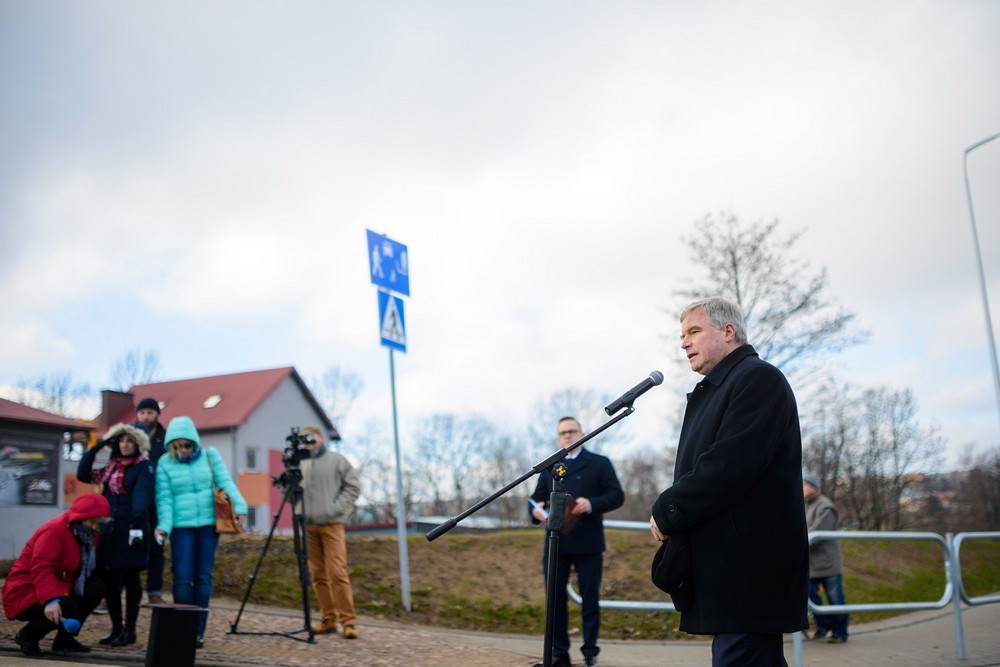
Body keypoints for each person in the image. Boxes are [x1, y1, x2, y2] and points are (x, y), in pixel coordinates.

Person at [649, 296, 809, 666]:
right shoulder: (718, 390)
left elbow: (728, 465)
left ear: (728, 332)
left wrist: (668, 510)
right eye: (682, 335)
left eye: (694, 331)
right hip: (732, 567)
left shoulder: (758, 379)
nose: (684, 342)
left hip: (750, 567)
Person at [529, 416, 624, 667]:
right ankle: (559, 653)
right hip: (556, 542)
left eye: (572, 431)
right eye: (562, 433)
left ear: (582, 433)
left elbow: (616, 496)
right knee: (555, 600)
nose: (567, 436)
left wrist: (592, 504)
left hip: (588, 541)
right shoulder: (550, 465)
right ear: (558, 437)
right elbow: (536, 499)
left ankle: (590, 652)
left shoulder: (599, 463)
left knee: (590, 599)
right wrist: (536, 511)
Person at [154, 416, 247, 648]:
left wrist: (241, 507)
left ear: (194, 442)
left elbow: (226, 482)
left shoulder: (210, 455)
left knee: (203, 577)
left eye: (188, 445)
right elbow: (164, 499)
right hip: (182, 528)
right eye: (179, 446)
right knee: (183, 578)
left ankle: (197, 632)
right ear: (171, 445)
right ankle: (181, 628)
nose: (184, 450)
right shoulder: (165, 463)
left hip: (208, 525)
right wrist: (164, 526)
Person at [3, 493, 111, 657]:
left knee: (94, 587)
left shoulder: (87, 534)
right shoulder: (54, 530)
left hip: (61, 584)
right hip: (25, 589)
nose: (95, 527)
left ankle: (64, 640)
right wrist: (51, 600)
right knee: (66, 607)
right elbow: (42, 567)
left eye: (99, 524)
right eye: (92, 522)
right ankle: (28, 636)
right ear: (81, 517)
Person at [77, 423, 154, 646]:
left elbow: (141, 494)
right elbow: (83, 474)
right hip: (109, 531)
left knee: (131, 580)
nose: (125, 445)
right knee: (110, 582)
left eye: (130, 441)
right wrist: (97, 447)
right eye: (121, 440)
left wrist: (137, 524)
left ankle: (130, 630)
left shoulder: (143, 466)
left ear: (137, 443)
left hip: (132, 529)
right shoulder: (111, 467)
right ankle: (117, 628)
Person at [298, 425, 362, 639]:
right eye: (303, 440)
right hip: (308, 526)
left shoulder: (337, 460)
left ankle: (349, 622)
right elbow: (291, 495)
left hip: (331, 525)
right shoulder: (300, 462)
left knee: (338, 572)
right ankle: (328, 619)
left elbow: (353, 487)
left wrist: (334, 510)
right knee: (317, 575)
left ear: (320, 438)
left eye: (311, 439)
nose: (307, 443)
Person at [803, 474, 849, 643]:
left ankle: (840, 632)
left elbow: (817, 535)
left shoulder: (825, 506)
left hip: (828, 563)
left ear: (813, 487)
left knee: (835, 598)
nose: (800, 488)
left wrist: (795, 545)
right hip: (812, 563)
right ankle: (823, 626)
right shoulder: (805, 506)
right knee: (808, 596)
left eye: (804, 485)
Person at [133, 396, 168, 603]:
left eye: (150, 412)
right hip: (134, 501)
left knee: (156, 549)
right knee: (130, 546)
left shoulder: (165, 440)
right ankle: (129, 589)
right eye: (142, 412)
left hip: (158, 503)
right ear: (137, 415)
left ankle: (154, 591)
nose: (146, 416)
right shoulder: (130, 438)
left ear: (157, 414)